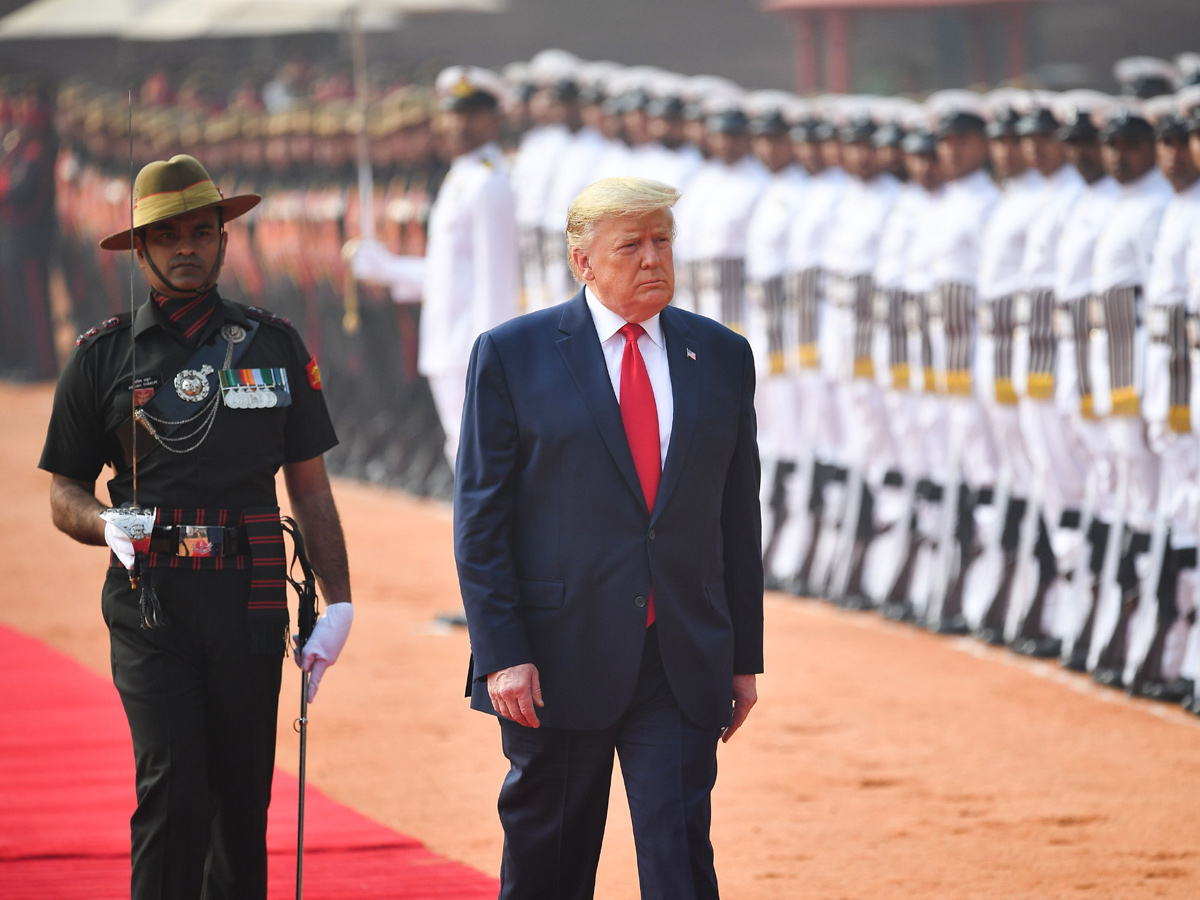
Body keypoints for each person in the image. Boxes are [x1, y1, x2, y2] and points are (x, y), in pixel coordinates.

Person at [38, 154, 353, 900]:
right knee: (174, 792)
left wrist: (338, 602)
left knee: (243, 803)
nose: (187, 247)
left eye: (202, 231)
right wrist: (105, 523)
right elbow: (64, 493)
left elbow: (310, 490)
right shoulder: (102, 356)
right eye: (169, 234)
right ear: (140, 248)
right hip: (155, 604)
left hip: (250, 600)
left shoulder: (275, 346)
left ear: (223, 239)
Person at [455, 177, 764, 900]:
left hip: (679, 656)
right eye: (631, 245)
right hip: (555, 663)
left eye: (662, 240)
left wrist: (741, 655)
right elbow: (481, 519)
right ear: (582, 261)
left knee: (679, 868)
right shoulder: (513, 354)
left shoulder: (720, 356)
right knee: (548, 868)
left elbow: (736, 517)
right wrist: (503, 655)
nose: (653, 258)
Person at [352, 65, 519, 470]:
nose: (458, 124)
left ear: (494, 120)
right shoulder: (460, 178)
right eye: (452, 113)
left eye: (471, 114)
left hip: (470, 347)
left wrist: (491, 356)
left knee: (482, 458)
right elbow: (446, 275)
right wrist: (388, 268)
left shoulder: (488, 183)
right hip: (449, 341)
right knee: (465, 454)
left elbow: (498, 280)